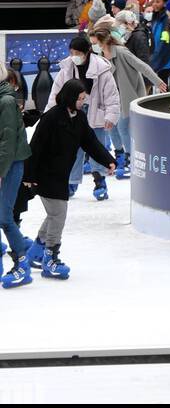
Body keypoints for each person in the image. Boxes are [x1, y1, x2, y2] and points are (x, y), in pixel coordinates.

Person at [21, 82, 117, 281]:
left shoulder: (79, 118)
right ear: (69, 97)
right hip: (44, 174)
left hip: (61, 174)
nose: (83, 102)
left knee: (54, 214)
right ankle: (50, 257)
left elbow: (90, 142)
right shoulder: (51, 118)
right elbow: (35, 147)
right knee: (58, 214)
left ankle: (36, 251)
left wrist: (108, 160)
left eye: (84, 98)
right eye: (80, 98)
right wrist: (29, 177)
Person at [88, 17, 168, 178]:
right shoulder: (100, 56)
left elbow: (142, 66)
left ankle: (131, 158)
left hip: (127, 94)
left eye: (95, 43)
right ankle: (120, 155)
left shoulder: (122, 52)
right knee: (110, 127)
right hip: (111, 98)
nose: (93, 46)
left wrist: (157, 81)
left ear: (103, 41)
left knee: (123, 127)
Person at [46, 34, 120, 201]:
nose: (74, 56)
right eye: (72, 52)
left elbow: (111, 95)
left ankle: (100, 180)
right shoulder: (67, 68)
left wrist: (111, 116)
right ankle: (71, 182)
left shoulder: (102, 69)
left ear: (87, 52)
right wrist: (49, 115)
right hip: (73, 114)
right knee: (72, 148)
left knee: (97, 147)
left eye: (77, 53)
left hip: (96, 114)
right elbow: (56, 93)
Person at [0, 61, 34, 287]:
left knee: (4, 217)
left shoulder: (6, 101)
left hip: (10, 166)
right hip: (5, 164)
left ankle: (22, 263)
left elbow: (8, 142)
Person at [148, 0, 170, 84]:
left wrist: (156, 58)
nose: (154, 4)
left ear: (164, 3)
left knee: (164, 86)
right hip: (157, 56)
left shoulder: (166, 19)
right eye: (153, 2)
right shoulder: (155, 17)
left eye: (158, 2)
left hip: (164, 59)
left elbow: (165, 40)